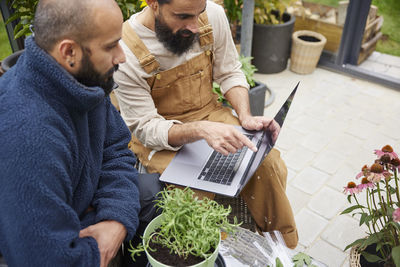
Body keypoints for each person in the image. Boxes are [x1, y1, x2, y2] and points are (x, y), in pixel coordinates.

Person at [113, 0, 298, 250]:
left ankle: (278, 251)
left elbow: (230, 71)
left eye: (198, 13)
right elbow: (146, 128)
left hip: (209, 113)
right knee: (193, 192)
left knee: (266, 164)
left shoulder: (213, 15)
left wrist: (245, 116)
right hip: (160, 136)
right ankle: (206, 254)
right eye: (183, 17)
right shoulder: (126, 48)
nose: (195, 26)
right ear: (153, 3)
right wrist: (200, 131)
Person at [0, 0, 162, 266]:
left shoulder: (84, 78)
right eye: (111, 46)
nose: (122, 56)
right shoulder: (26, 135)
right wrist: (98, 244)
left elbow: (116, 150)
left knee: (155, 191)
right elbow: (47, 258)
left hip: (85, 207)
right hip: (46, 247)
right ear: (69, 51)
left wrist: (116, 219)